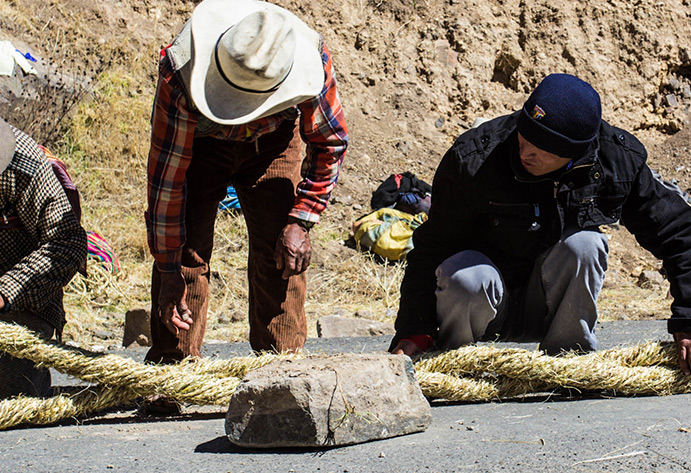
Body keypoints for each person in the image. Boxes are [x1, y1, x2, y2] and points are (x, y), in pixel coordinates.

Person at [390, 73, 691, 376]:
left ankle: (570, 366)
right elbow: (431, 248)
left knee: (586, 245)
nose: (523, 153)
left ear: (572, 153)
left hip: (549, 308)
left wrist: (687, 320)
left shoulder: (616, 161)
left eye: (538, 149)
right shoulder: (475, 159)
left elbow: (680, 231)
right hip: (485, 304)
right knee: (466, 275)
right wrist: (414, 329)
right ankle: (456, 364)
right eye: (523, 138)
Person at [144, 0, 348, 366]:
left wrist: (302, 219)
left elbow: (329, 142)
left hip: (273, 143)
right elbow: (167, 183)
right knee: (186, 251)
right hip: (202, 145)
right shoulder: (180, 72)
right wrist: (168, 268)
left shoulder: (308, 58)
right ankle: (171, 369)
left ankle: (282, 369)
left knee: (281, 250)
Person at [0, 117, 87, 399]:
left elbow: (68, 244)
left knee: (14, 395)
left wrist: (4, 293)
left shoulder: (22, 163)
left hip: (18, 306)